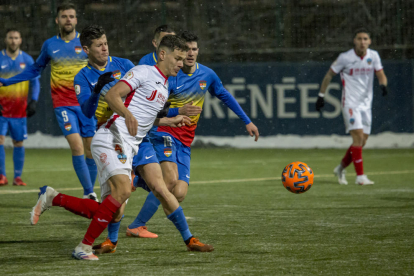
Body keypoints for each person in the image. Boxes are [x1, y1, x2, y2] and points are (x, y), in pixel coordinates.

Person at [30, 35, 213, 261]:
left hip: (130, 145)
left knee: (113, 208)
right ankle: (83, 247)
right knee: (124, 191)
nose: (181, 63)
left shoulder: (164, 87)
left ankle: (53, 198)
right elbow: (113, 95)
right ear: (163, 54)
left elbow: (146, 118)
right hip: (110, 137)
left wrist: (170, 120)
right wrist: (126, 115)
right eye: (177, 58)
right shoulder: (144, 71)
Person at [125, 30, 259, 239]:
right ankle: (137, 225)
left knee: (178, 193)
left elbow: (224, 95)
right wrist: (177, 111)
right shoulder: (169, 76)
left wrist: (247, 121)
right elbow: (154, 111)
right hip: (164, 132)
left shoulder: (207, 75)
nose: (190, 53)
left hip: (185, 141)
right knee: (169, 181)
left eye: (194, 49)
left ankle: (140, 180)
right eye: (185, 50)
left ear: (198, 51)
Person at [0, 3, 97, 199]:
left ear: (76, 20)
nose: (68, 20)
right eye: (64, 16)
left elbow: (100, 66)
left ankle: (91, 190)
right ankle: (90, 193)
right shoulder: (50, 45)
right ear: (57, 20)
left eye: (71, 16)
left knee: (90, 149)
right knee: (77, 146)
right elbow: (35, 69)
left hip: (86, 104)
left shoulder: (87, 44)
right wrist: (10, 80)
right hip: (63, 104)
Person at [74, 24, 135, 252]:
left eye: (106, 43)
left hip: (132, 131)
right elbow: (88, 113)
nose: (104, 48)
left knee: (161, 186)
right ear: (86, 50)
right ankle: (111, 239)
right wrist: (96, 90)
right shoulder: (82, 77)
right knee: (117, 200)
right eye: (99, 45)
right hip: (107, 136)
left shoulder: (125, 65)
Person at [315, 28, 388, 185]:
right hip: (350, 103)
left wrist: (383, 85)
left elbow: (380, 73)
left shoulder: (373, 56)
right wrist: (321, 96)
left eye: (365, 39)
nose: (362, 42)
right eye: (359, 38)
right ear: (354, 41)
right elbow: (329, 75)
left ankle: (340, 168)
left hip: (366, 104)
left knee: (362, 142)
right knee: (358, 137)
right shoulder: (345, 58)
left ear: (369, 42)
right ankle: (360, 177)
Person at [0, 29, 40, 186]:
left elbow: (35, 81)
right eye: (10, 38)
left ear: (20, 40)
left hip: (19, 110)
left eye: (16, 38)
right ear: (6, 40)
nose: (13, 41)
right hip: (1, 110)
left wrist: (34, 101)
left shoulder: (28, 60)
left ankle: (17, 177)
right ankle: (2, 175)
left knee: (18, 143)